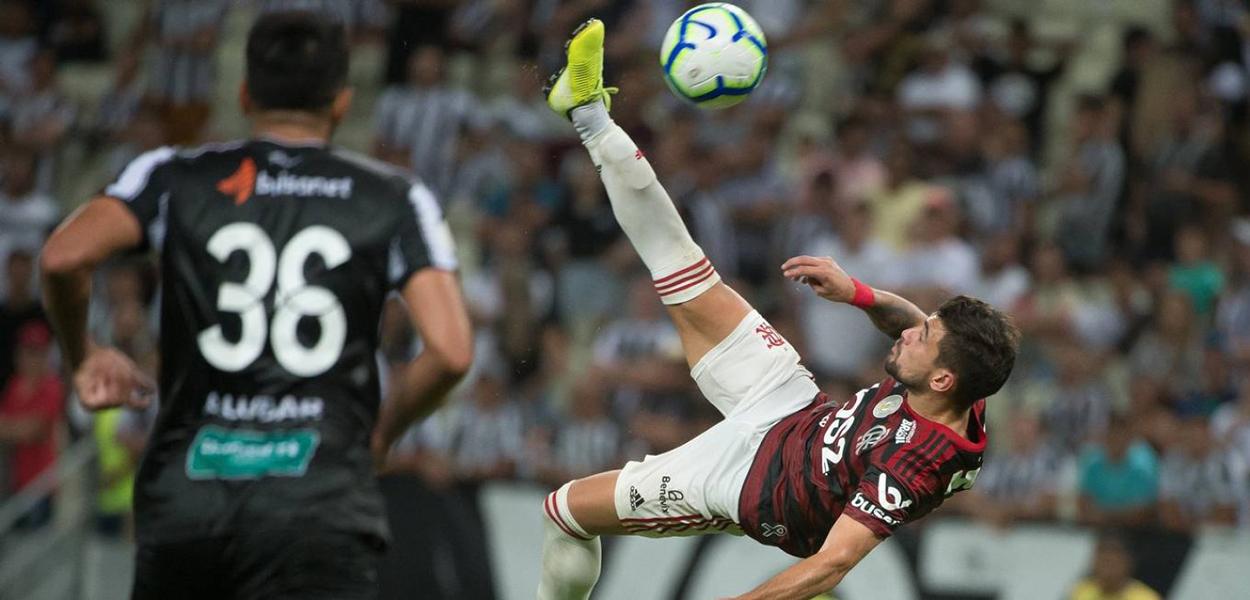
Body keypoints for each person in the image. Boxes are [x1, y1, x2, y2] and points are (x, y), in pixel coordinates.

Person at [537, 20, 1020, 600]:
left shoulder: (915, 464)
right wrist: (858, 293)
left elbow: (829, 566)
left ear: (942, 378)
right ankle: (587, 110)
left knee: (564, 510)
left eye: (924, 339)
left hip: (752, 484)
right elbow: (914, 324)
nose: (910, 333)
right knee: (681, 262)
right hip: (790, 404)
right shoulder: (963, 379)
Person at [39, 12, 472, 599]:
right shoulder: (394, 197)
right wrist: (382, 433)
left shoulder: (173, 175)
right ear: (341, 103)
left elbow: (63, 258)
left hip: (190, 496)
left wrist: (83, 354)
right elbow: (449, 352)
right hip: (318, 500)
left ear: (244, 95)